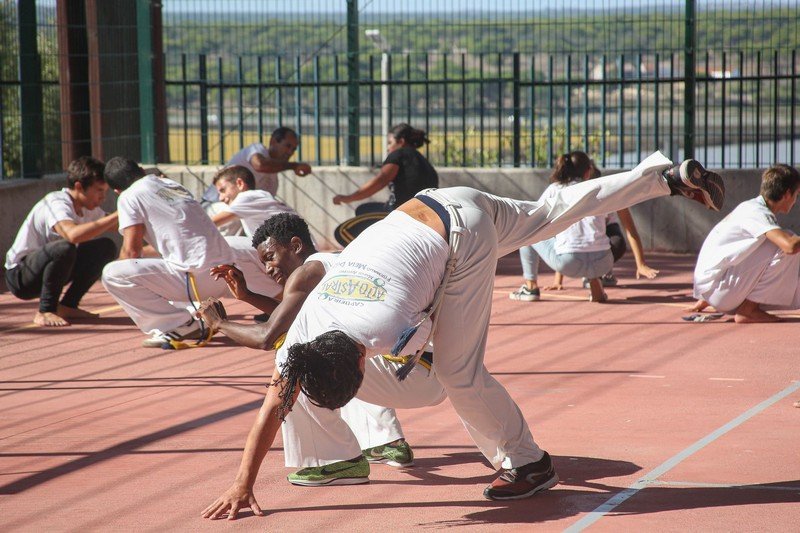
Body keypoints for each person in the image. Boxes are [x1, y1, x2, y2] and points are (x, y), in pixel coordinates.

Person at [201, 151, 724, 520]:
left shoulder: (386, 328)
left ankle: (528, 464)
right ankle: (664, 177)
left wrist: (243, 484)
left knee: (457, 370)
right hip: (438, 202)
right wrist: (242, 483)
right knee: (546, 214)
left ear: (361, 364)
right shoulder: (312, 325)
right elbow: (276, 399)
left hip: (460, 239)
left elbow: (430, 346)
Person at [198, 213, 432, 476]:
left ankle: (334, 460)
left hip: (405, 374)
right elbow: (298, 318)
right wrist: (248, 296)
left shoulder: (306, 274)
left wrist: (218, 323)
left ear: (295, 245)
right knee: (337, 347)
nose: (268, 269)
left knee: (304, 360)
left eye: (270, 257)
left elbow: (266, 336)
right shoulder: (336, 261)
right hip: (426, 371)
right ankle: (385, 441)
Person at [100, 158, 280, 347]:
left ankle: (181, 325)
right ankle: (288, 302)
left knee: (112, 273)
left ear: (117, 191)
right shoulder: (171, 184)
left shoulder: (129, 196)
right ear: (142, 170)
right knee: (227, 246)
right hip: (230, 271)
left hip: (195, 278)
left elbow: (131, 252)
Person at [4, 156, 118, 327]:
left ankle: (67, 306)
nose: (103, 197)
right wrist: (118, 214)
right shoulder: (57, 202)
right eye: (99, 190)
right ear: (79, 187)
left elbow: (119, 224)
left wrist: (138, 207)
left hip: (52, 271)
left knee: (106, 247)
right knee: (64, 248)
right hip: (21, 276)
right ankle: (45, 311)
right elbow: (72, 235)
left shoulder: (88, 208)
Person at [691, 164, 800, 323]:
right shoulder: (757, 212)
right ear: (787, 194)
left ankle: (725, 301)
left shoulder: (750, 208)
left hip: (712, 288)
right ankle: (748, 310)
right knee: (788, 242)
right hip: (717, 289)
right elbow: (789, 246)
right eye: (797, 195)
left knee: (782, 244)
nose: (796, 200)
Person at [509, 152, 614, 303]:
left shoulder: (555, 189)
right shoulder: (597, 188)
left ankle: (530, 288)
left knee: (528, 231)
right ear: (588, 172)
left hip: (569, 263)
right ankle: (596, 285)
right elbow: (609, 221)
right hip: (604, 262)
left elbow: (535, 217)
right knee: (594, 237)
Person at [331, 123, 439, 245]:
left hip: (402, 214)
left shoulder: (398, 155)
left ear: (401, 141)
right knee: (364, 209)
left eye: (389, 143)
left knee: (344, 231)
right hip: (426, 217)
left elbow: (379, 182)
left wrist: (347, 198)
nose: (387, 148)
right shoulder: (425, 162)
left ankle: (374, 250)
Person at [208, 166, 298, 238]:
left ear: (240, 184)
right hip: (293, 245)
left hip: (290, 248)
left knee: (228, 244)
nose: (221, 198)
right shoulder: (258, 195)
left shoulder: (245, 197)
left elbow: (211, 223)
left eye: (223, 190)